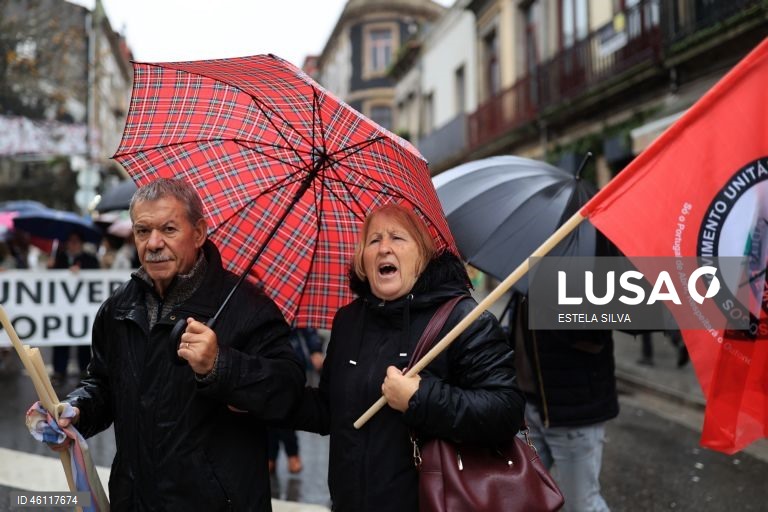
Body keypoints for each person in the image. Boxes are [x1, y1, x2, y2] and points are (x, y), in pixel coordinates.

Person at [35, 178, 305, 511]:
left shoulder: (249, 307)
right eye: (142, 231)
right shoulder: (118, 308)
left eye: (169, 229)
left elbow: (288, 390)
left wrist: (221, 366)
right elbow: (103, 384)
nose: (153, 243)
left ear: (200, 232)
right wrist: (75, 411)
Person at [289, 203, 525, 511]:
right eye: (374, 240)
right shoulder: (348, 320)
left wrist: (420, 398)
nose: (384, 248)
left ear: (424, 253)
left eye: (398, 238)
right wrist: (240, 380)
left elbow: (505, 411)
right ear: (362, 257)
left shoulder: (464, 320)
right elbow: (328, 410)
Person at [509, 292, 618, 512]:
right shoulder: (523, 271)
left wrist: (551, 302)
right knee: (520, 497)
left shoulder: (584, 269)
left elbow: (595, 337)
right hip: (528, 406)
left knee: (582, 505)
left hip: (573, 414)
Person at [268, 327, 325, 475]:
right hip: (266, 361)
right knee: (267, 411)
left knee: (285, 409)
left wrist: (315, 350)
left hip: (291, 362)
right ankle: (271, 455)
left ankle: (291, 454)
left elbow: (309, 329)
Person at [48, 230, 100, 386]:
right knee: (60, 338)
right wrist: (50, 269)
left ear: (81, 243)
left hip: (83, 307)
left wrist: (81, 273)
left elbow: (98, 278)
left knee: (83, 339)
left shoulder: (90, 259)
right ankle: (59, 371)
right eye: (70, 241)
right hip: (62, 308)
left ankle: (84, 370)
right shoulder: (59, 259)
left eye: (76, 241)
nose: (73, 244)